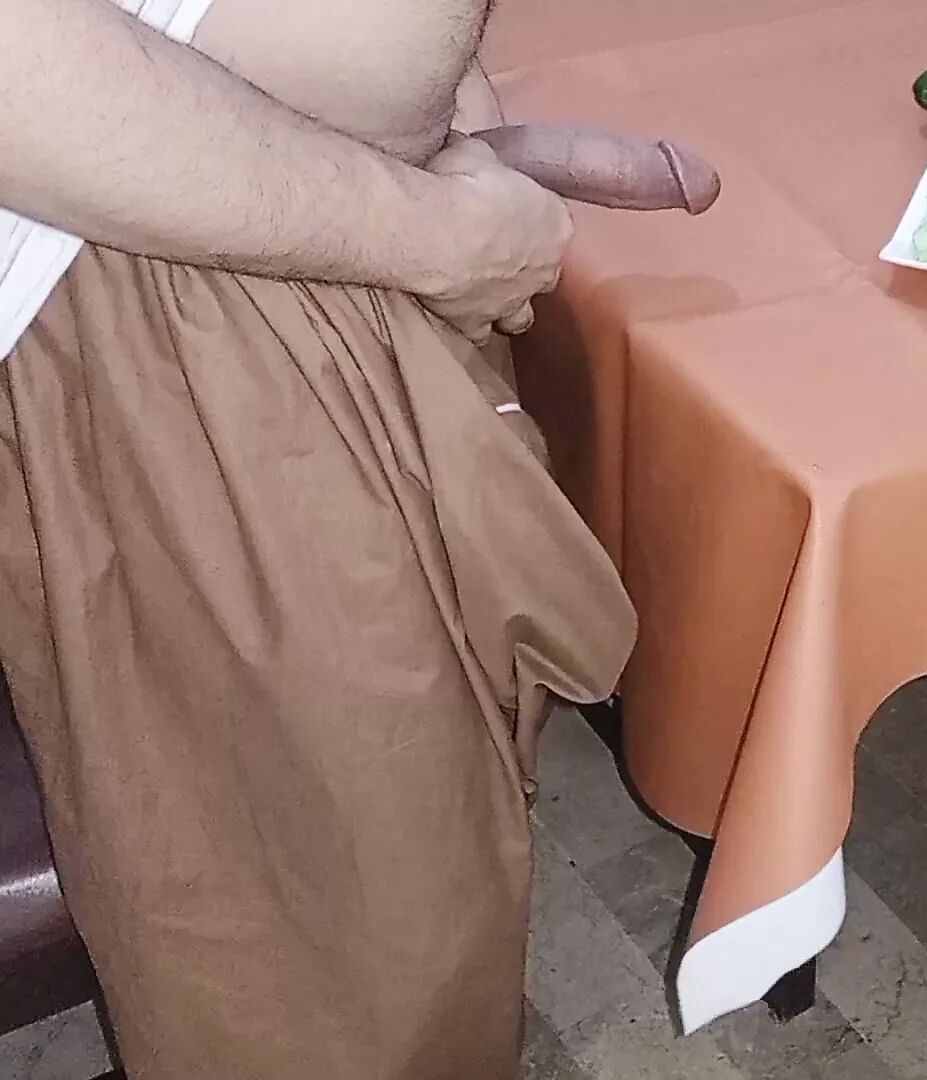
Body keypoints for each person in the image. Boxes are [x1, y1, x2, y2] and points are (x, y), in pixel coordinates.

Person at [1, 1, 639, 1077]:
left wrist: (444, 119)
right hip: (133, 294)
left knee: (421, 869)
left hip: (267, 214)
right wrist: (435, 236)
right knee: (336, 966)